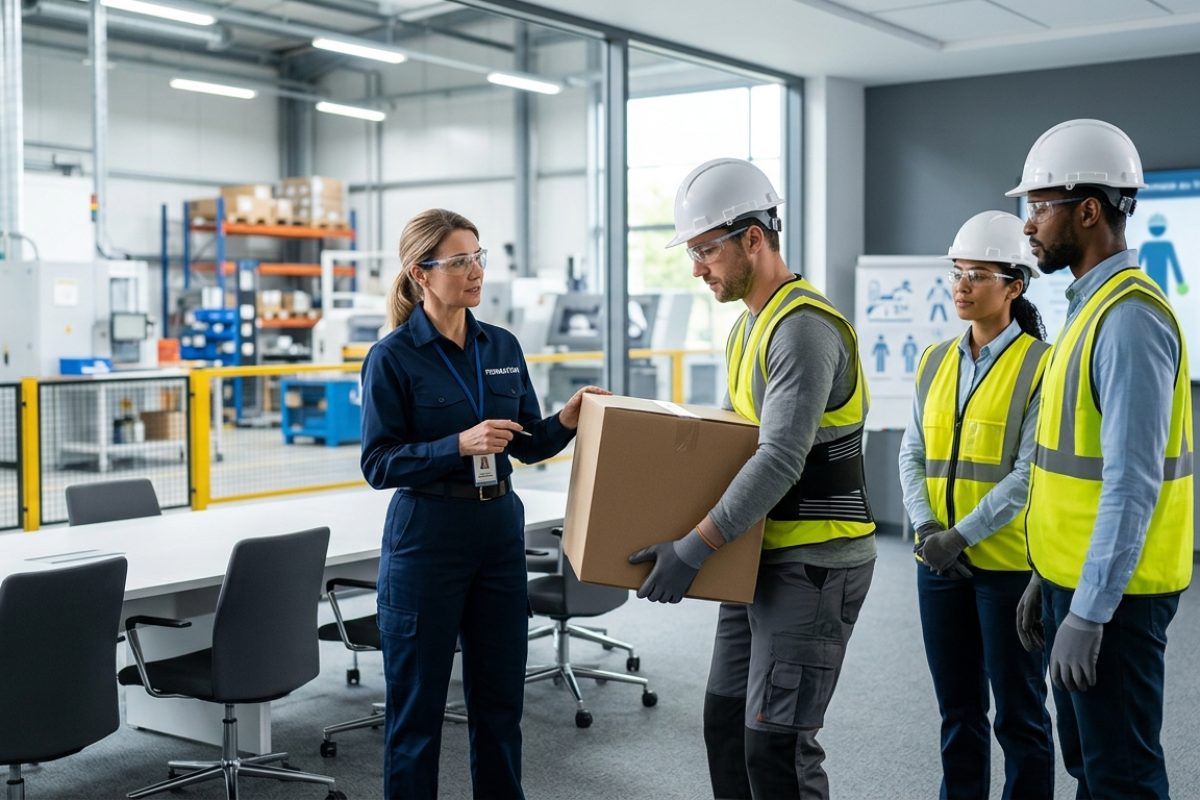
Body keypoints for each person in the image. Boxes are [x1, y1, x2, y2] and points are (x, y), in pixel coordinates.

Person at [628, 158, 876, 799]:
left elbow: (779, 459)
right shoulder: (750, 327)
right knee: (724, 726)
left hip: (813, 566)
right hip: (756, 557)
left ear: (754, 239)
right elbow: (736, 439)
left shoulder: (802, 330)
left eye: (706, 250)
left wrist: (694, 547)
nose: (696, 268)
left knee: (778, 751)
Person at [359, 208, 606, 800]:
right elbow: (379, 463)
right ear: (422, 273)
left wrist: (565, 420)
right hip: (427, 539)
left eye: (479, 257)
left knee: (499, 704)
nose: (476, 272)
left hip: (498, 536)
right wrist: (457, 444)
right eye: (460, 260)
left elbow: (527, 443)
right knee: (416, 712)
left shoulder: (501, 345)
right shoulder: (392, 357)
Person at [1008, 119, 1193, 800]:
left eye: (1039, 205)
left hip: (1117, 600)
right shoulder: (1086, 311)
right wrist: (1046, 579)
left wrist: (1086, 612)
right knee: (1091, 766)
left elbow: (1131, 485)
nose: (1028, 224)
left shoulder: (1129, 320)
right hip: (1075, 581)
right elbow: (1069, 472)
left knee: (1123, 778)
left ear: (1088, 210)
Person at [899, 210, 1054, 800]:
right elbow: (911, 453)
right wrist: (924, 527)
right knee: (958, 712)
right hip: (935, 564)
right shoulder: (933, 360)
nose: (961, 286)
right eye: (957, 273)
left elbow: (1027, 475)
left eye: (979, 274)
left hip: (1007, 568)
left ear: (1014, 285)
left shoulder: (1043, 365)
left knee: (1020, 716)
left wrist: (958, 535)